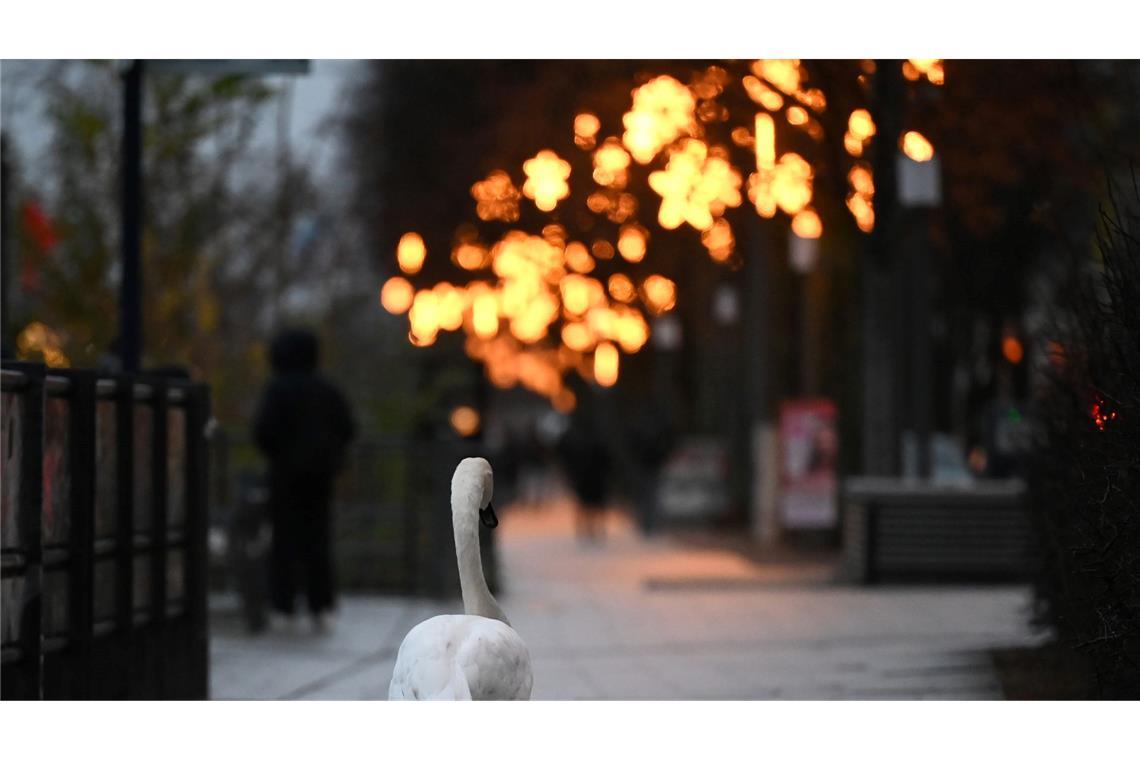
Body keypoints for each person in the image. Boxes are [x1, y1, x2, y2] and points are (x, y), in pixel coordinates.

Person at [252, 328, 356, 632]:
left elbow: (262, 432)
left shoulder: (277, 389)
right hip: (320, 479)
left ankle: (282, 607)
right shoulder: (328, 390)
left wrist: (281, 454)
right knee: (318, 542)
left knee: (283, 542)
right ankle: (320, 607)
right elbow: (348, 428)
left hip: (283, 478)